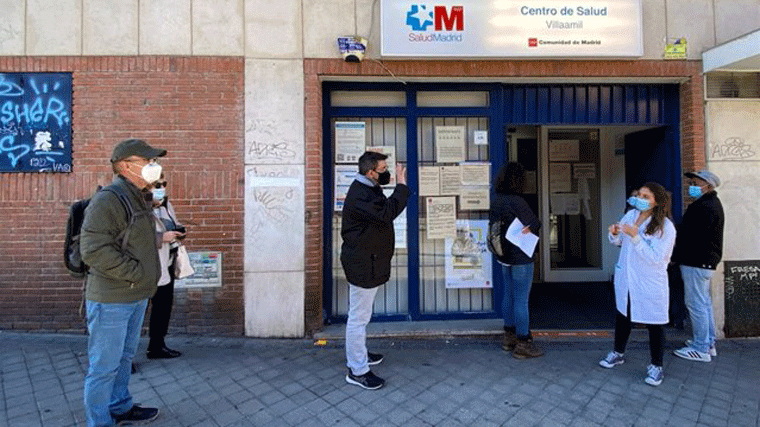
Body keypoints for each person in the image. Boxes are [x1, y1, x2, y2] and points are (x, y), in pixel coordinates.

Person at [79, 139, 165, 426]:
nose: (154, 166)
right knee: (104, 367)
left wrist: (158, 240)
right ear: (127, 166)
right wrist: (136, 273)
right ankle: (99, 421)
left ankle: (120, 407)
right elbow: (92, 249)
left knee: (124, 358)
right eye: (148, 161)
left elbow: (129, 239)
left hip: (134, 295)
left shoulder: (137, 196)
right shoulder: (109, 199)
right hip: (112, 299)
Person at [340, 151, 409, 390]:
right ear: (370, 172)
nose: (387, 171)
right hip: (362, 264)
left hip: (368, 261)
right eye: (383, 168)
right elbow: (387, 213)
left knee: (362, 314)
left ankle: (360, 354)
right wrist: (401, 185)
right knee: (358, 318)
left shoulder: (367, 188)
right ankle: (357, 370)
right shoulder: (361, 194)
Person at [599, 182, 676, 387]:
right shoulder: (631, 216)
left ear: (657, 202)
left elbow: (657, 258)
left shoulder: (666, 228)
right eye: (639, 195)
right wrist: (615, 233)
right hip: (627, 277)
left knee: (655, 324)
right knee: (623, 315)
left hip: (649, 281)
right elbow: (618, 243)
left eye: (646, 197)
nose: (640, 199)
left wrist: (635, 238)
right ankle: (618, 352)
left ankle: (656, 366)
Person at [490, 162, 542, 359]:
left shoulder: (497, 200)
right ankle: (523, 343)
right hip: (521, 255)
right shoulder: (517, 201)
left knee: (508, 295)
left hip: (503, 255)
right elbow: (535, 223)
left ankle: (508, 338)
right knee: (521, 299)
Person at [672, 170, 724, 362]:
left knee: (696, 304)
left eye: (696, 183)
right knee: (704, 303)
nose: (691, 186)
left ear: (708, 186)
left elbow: (690, 237)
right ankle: (708, 342)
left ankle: (700, 347)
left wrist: (675, 256)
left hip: (696, 261)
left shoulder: (705, 207)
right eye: (691, 182)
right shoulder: (709, 204)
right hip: (704, 261)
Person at [147, 174, 186, 359]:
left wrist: (178, 231)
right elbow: (132, 238)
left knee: (163, 306)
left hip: (166, 264)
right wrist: (162, 238)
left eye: (163, 184)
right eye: (157, 185)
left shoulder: (166, 205)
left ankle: (157, 345)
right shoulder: (138, 207)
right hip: (145, 267)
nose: (161, 188)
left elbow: (173, 224)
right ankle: (123, 357)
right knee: (135, 311)